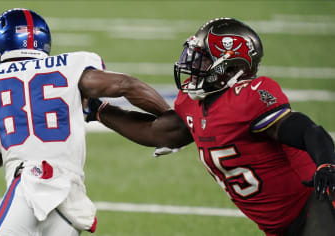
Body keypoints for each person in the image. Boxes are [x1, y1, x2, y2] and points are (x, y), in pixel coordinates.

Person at [85, 17, 335, 236]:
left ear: (232, 66)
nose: (193, 65)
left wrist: (326, 163)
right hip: (279, 224)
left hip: (316, 202)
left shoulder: (249, 97)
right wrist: (98, 111)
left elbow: (306, 129)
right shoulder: (193, 103)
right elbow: (158, 132)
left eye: (203, 60)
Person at [0, 8, 170, 236]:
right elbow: (125, 84)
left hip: (30, 186)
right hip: (71, 198)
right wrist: (170, 116)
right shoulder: (72, 66)